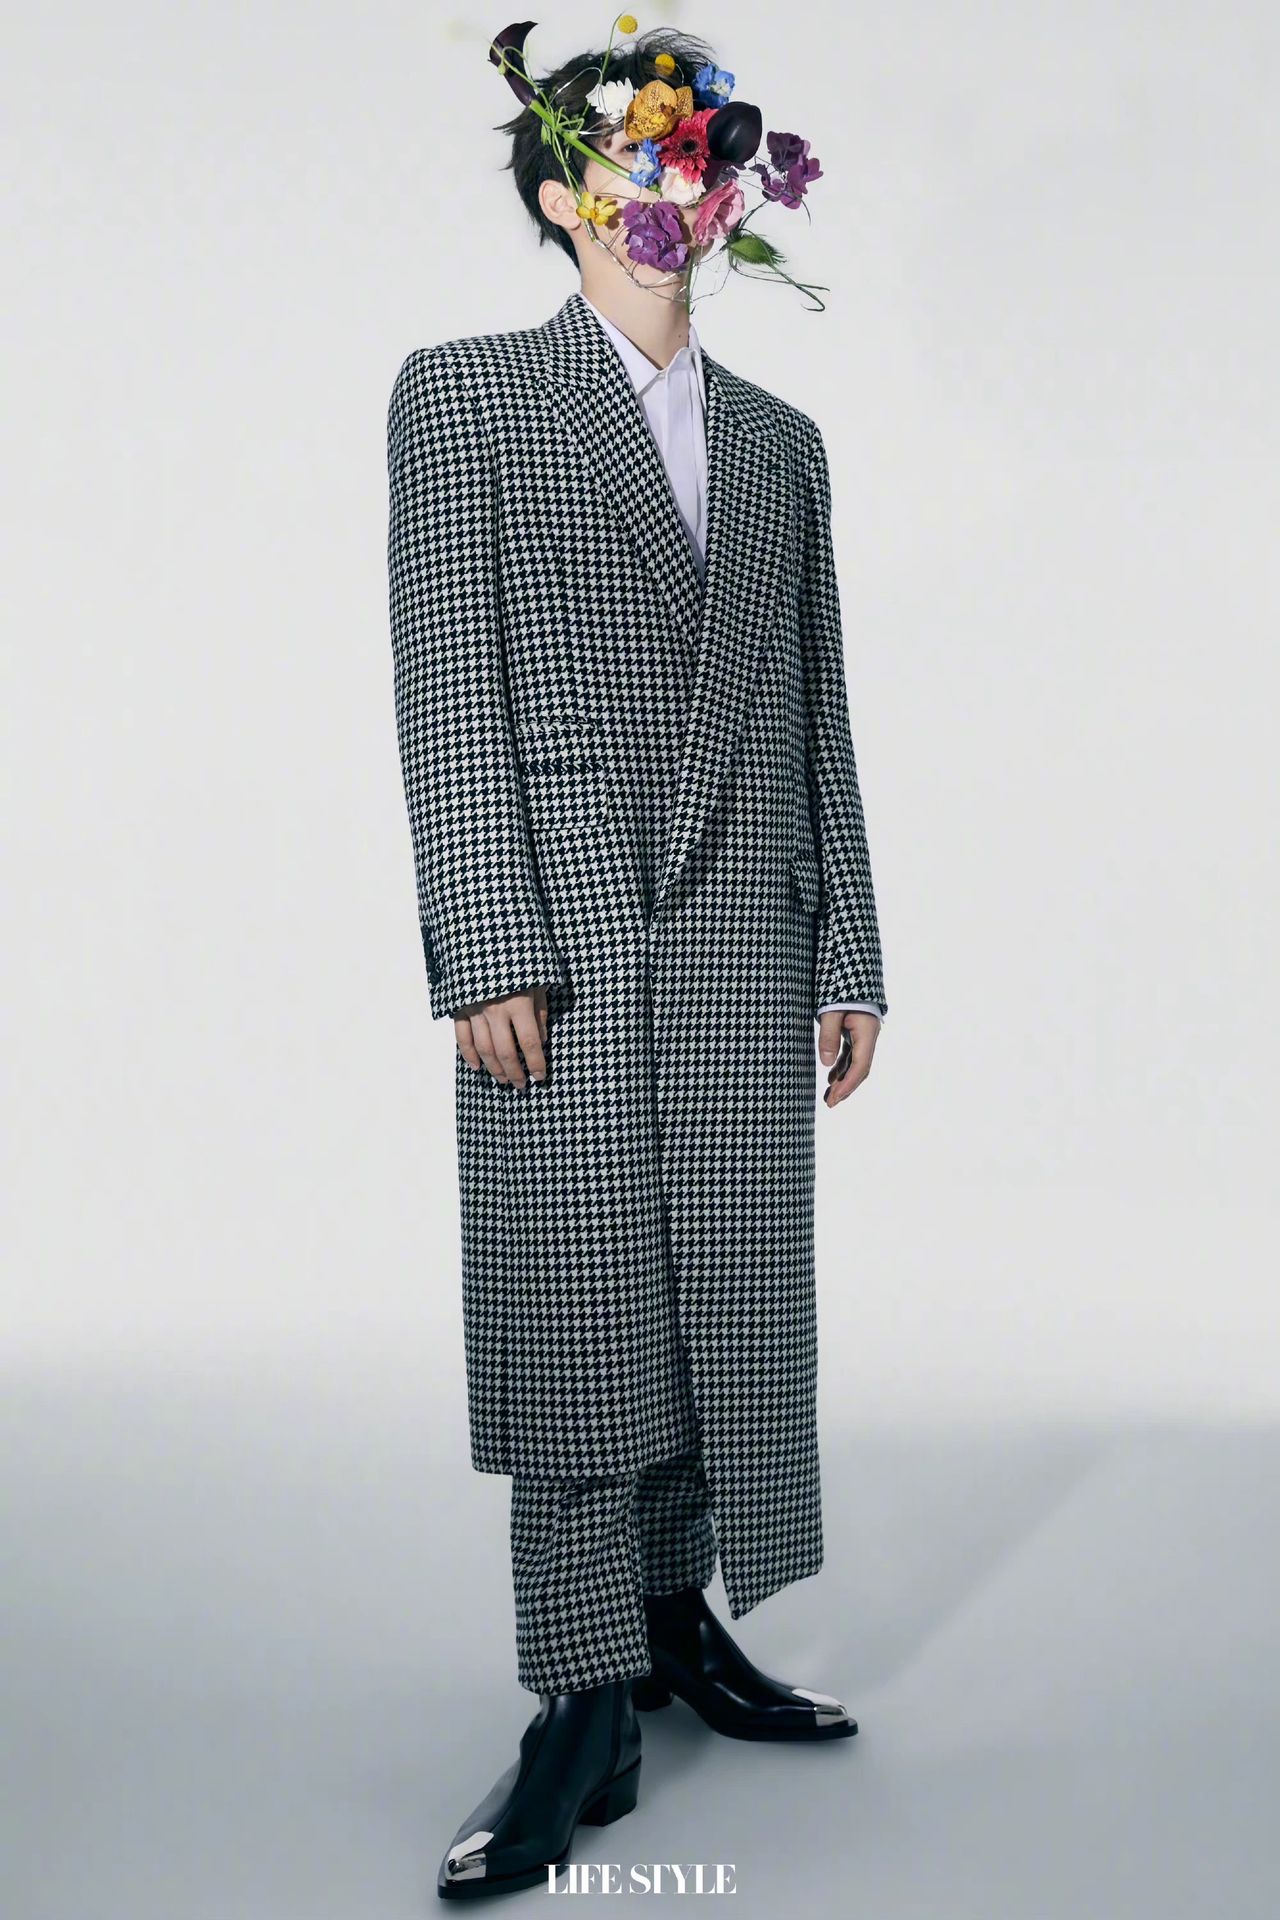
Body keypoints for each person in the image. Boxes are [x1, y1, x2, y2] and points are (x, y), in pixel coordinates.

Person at [386, 19, 888, 1900]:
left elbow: (816, 709)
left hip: (752, 931)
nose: (662, 200)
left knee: (726, 1296)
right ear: (557, 198)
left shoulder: (782, 446)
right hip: (569, 931)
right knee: (583, 1302)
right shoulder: (465, 400)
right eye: (623, 172)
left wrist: (852, 946)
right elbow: (448, 689)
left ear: (733, 196)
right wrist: (480, 946)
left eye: (692, 167)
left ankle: (676, 1622)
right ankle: (581, 1699)